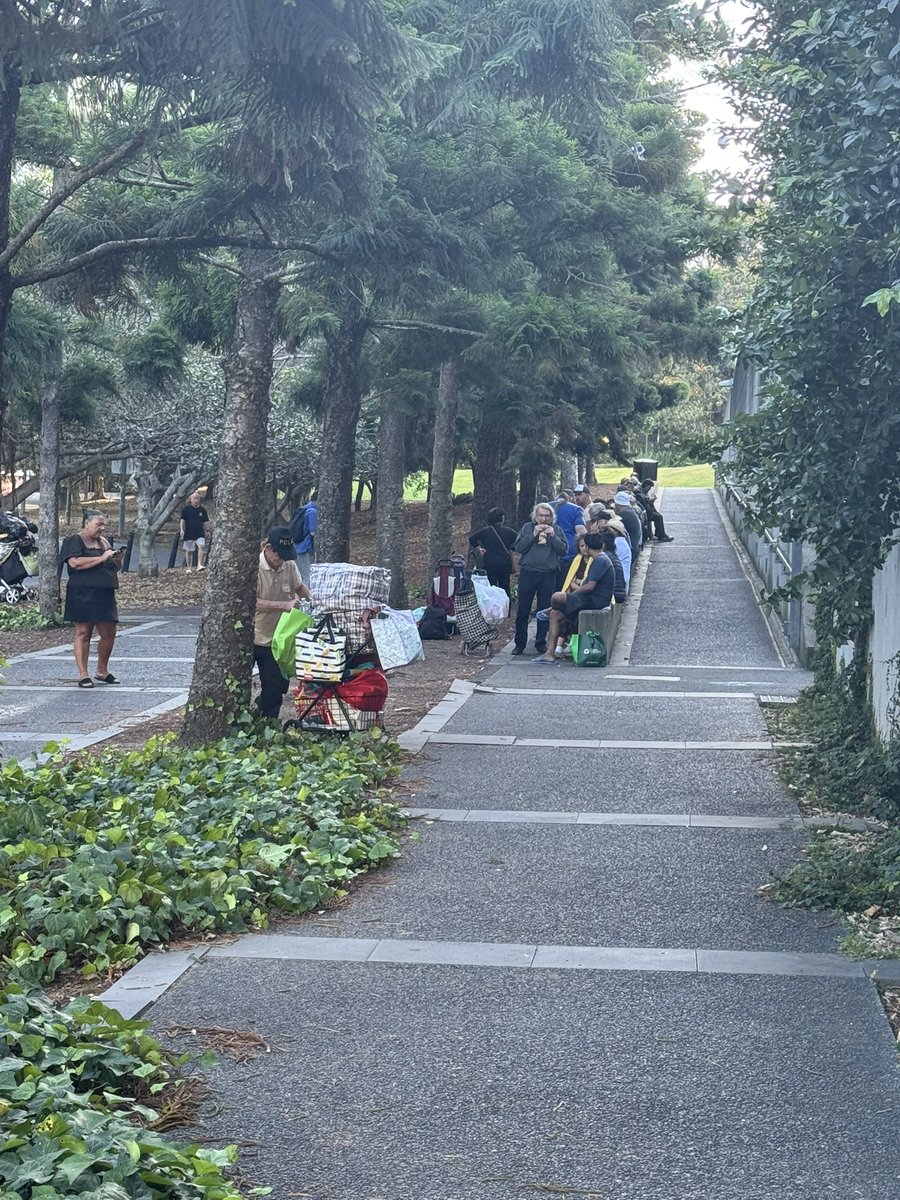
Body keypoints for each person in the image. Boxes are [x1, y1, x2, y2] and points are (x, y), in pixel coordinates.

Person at [61, 509, 124, 688]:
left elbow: (113, 566)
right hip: (82, 593)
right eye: (98, 524)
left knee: (109, 633)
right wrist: (101, 558)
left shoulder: (103, 542)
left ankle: (102, 671)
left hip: (104, 592)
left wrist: (117, 559)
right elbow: (74, 563)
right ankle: (83, 674)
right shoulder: (75, 540)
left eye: (103, 524)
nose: (102, 528)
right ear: (87, 524)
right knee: (83, 633)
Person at [253, 526, 312, 719]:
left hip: (277, 639)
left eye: (286, 557)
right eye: (278, 556)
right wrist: (283, 605)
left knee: (275, 688)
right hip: (254, 635)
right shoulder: (255, 567)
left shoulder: (288, 565)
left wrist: (315, 602)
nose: (281, 561)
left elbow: (299, 587)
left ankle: (267, 723)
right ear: (268, 548)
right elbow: (252, 602)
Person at [534, 533, 615, 663]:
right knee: (555, 614)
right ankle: (549, 654)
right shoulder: (599, 559)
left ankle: (549, 609)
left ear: (587, 547)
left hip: (595, 600)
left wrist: (572, 596)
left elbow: (590, 586)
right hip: (589, 598)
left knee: (557, 597)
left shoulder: (601, 560)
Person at [512, 502, 568, 656]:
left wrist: (552, 537)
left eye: (547, 516)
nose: (543, 519)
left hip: (548, 574)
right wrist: (533, 535)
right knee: (523, 610)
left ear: (551, 518)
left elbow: (563, 551)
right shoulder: (527, 528)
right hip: (528, 573)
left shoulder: (557, 530)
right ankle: (519, 644)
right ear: (535, 516)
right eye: (541, 515)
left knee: (545, 610)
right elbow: (519, 548)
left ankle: (541, 643)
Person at [468, 507, 518, 596]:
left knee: (491, 586)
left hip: (489, 562)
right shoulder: (509, 532)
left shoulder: (485, 531)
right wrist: (511, 549)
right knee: (505, 587)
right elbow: (518, 542)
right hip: (505, 563)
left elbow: (472, 539)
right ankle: (506, 607)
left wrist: (480, 548)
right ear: (502, 519)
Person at [552, 491, 587, 587]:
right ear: (571, 498)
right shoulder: (576, 509)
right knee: (564, 584)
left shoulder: (546, 507)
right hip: (568, 552)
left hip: (548, 552)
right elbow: (580, 530)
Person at [289, 493, 318, 585]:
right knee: (308, 577)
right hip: (305, 547)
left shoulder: (303, 509)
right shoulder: (313, 511)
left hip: (296, 547)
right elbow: (313, 532)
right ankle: (306, 598)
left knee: (300, 576)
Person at [180, 491, 210, 572]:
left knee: (202, 546)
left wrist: (207, 530)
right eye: (194, 498)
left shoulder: (202, 510)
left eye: (198, 498)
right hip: (189, 532)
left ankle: (199, 564)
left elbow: (206, 521)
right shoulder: (186, 509)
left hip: (200, 532)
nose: (196, 500)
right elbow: (182, 520)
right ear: (190, 499)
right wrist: (182, 530)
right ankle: (189, 568)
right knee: (189, 551)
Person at [614, 491, 643, 561]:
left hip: (631, 550)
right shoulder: (630, 511)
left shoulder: (623, 514)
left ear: (617, 504)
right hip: (635, 546)